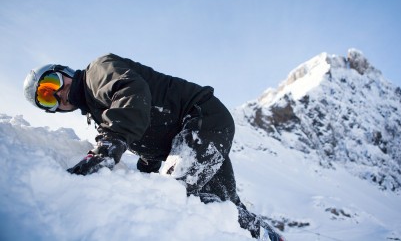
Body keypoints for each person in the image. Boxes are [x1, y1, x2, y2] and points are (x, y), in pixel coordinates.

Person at [23, 53, 284, 241]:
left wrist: (108, 147)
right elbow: (146, 123)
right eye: (46, 99)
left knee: (177, 195)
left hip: (201, 120)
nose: (57, 95)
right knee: (226, 209)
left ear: (64, 71)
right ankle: (268, 237)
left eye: (52, 84)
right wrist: (146, 168)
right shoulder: (99, 110)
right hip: (200, 131)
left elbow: (133, 91)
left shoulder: (97, 72)